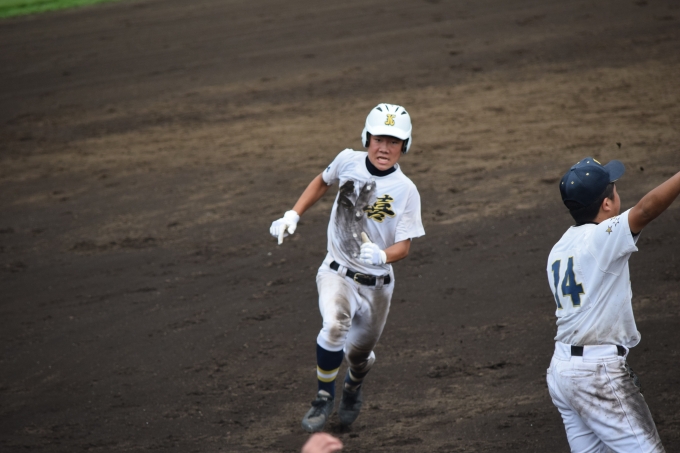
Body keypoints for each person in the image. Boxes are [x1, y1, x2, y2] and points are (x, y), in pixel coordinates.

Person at [270, 103, 425, 433]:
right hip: (336, 271)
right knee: (334, 326)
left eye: (394, 142)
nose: (384, 148)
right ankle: (323, 397)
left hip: (377, 286)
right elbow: (322, 181)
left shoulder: (407, 191)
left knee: (358, 355)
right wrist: (293, 214)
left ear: (405, 146)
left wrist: (382, 256)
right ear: (367, 138)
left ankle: (353, 385)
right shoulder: (347, 160)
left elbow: (404, 246)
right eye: (378, 139)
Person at [546, 156, 680, 452]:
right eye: (614, 188)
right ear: (607, 204)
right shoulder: (601, 238)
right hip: (595, 373)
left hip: (562, 371)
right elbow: (645, 210)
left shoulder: (560, 248)